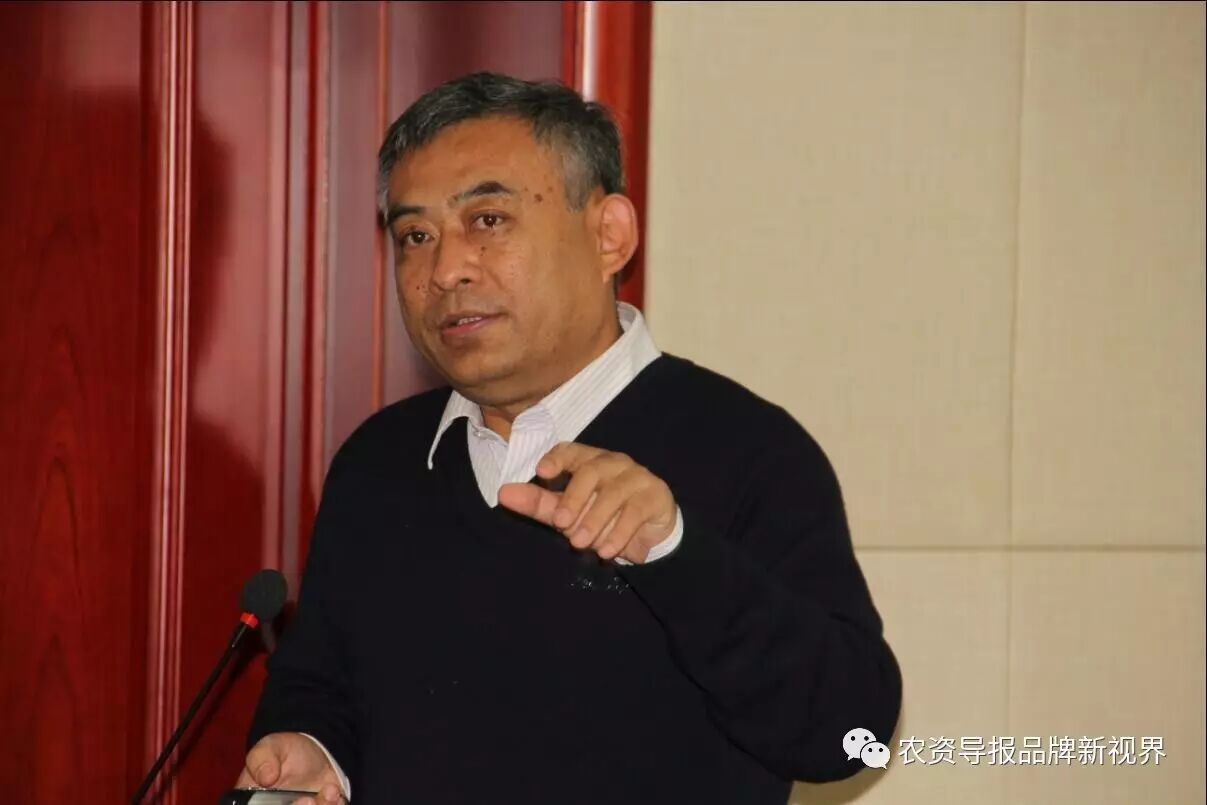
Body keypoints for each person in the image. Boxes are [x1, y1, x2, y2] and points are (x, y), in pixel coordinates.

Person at [236, 72, 901, 805]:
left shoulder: (746, 450)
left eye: (488, 220)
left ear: (609, 234)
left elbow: (849, 733)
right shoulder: (379, 462)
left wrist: (675, 552)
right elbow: (318, 684)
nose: (445, 270)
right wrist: (313, 750)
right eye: (415, 236)